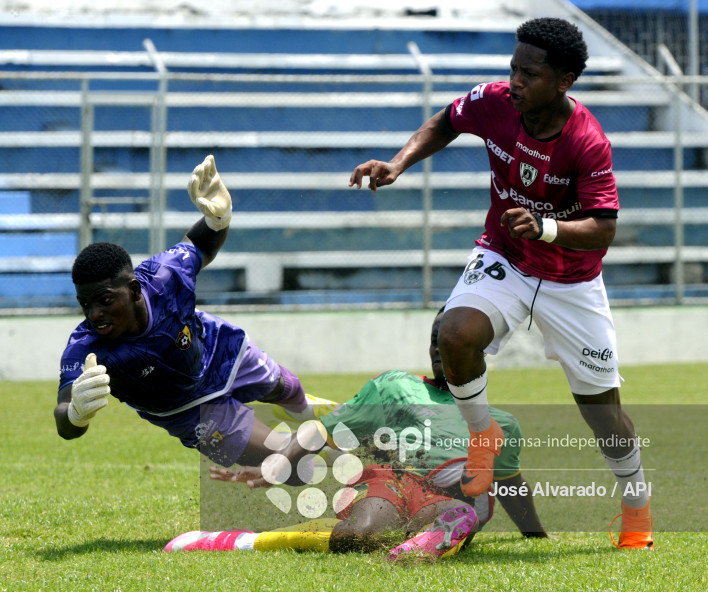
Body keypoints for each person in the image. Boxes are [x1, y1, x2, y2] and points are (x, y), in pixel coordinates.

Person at [349, 18, 653, 550]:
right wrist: (399, 164)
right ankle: (482, 433)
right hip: (505, 259)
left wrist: (548, 226)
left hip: (570, 280)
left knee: (603, 414)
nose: (514, 81)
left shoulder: (586, 141)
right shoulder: (494, 102)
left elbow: (605, 227)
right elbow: (446, 121)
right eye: (513, 68)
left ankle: (636, 508)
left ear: (564, 81)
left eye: (529, 74)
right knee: (455, 333)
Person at [164, 308, 547, 560]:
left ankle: (420, 546)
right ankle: (244, 541)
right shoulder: (396, 386)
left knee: (459, 513)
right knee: (359, 536)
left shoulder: (501, 423)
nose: (438, 350)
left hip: (443, 499)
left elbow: (511, 482)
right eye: (435, 340)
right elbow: (321, 429)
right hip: (392, 485)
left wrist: (536, 537)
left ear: (478, 353)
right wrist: (279, 462)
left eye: (450, 343)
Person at [54, 155, 335, 468]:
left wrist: (220, 216)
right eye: (85, 304)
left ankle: (309, 411)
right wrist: (76, 414)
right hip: (186, 411)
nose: (93, 314)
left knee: (287, 387)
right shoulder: (84, 348)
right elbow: (63, 421)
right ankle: (360, 460)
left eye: (104, 300)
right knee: (284, 463)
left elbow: (203, 243)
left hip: (219, 351)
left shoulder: (165, 276)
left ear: (133, 290)